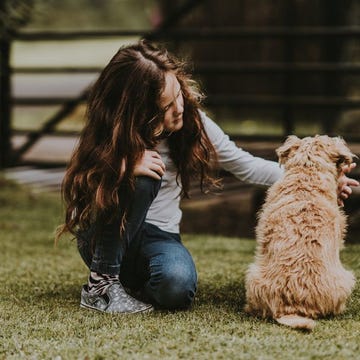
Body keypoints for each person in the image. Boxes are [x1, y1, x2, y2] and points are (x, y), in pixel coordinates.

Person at [56, 40, 359, 314]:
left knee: (177, 289)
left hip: (159, 236)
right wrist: (123, 166)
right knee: (147, 174)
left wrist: (318, 179)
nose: (179, 108)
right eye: (166, 106)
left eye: (179, 95)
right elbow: (80, 182)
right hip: (104, 235)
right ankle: (102, 287)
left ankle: (131, 287)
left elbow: (244, 164)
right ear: (139, 110)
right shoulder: (112, 131)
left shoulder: (191, 121)